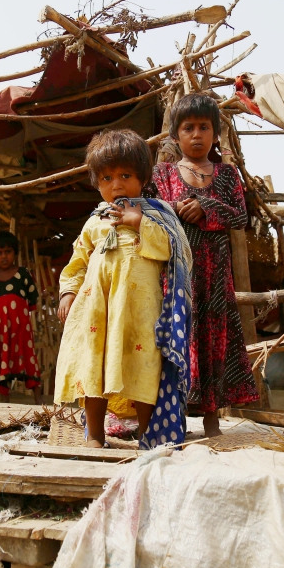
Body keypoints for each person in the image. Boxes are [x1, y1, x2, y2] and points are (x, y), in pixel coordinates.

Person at [55, 129, 193, 449]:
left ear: (142, 177)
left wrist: (138, 222)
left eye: (125, 175)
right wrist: (67, 293)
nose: (116, 185)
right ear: (97, 182)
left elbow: (173, 250)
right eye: (106, 178)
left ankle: (150, 436)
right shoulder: (94, 222)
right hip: (97, 311)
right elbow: (77, 263)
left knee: (143, 370)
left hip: (141, 311)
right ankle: (95, 434)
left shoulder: (156, 214)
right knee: (93, 369)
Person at [147, 93, 259, 437]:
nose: (196, 135)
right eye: (188, 128)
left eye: (204, 127)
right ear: (175, 135)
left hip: (215, 276)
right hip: (179, 275)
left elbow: (240, 215)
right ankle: (174, 421)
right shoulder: (162, 172)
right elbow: (154, 211)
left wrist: (204, 207)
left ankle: (212, 421)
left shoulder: (227, 175)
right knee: (179, 340)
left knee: (214, 342)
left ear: (215, 133)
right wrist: (177, 209)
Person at [0, 230, 42, 404]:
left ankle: (38, 400)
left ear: (15, 252)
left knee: (28, 356)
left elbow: (33, 297)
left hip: (21, 328)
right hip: (0, 330)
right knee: (2, 358)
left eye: (7, 251)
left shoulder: (23, 274)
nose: (4, 256)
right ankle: (4, 400)